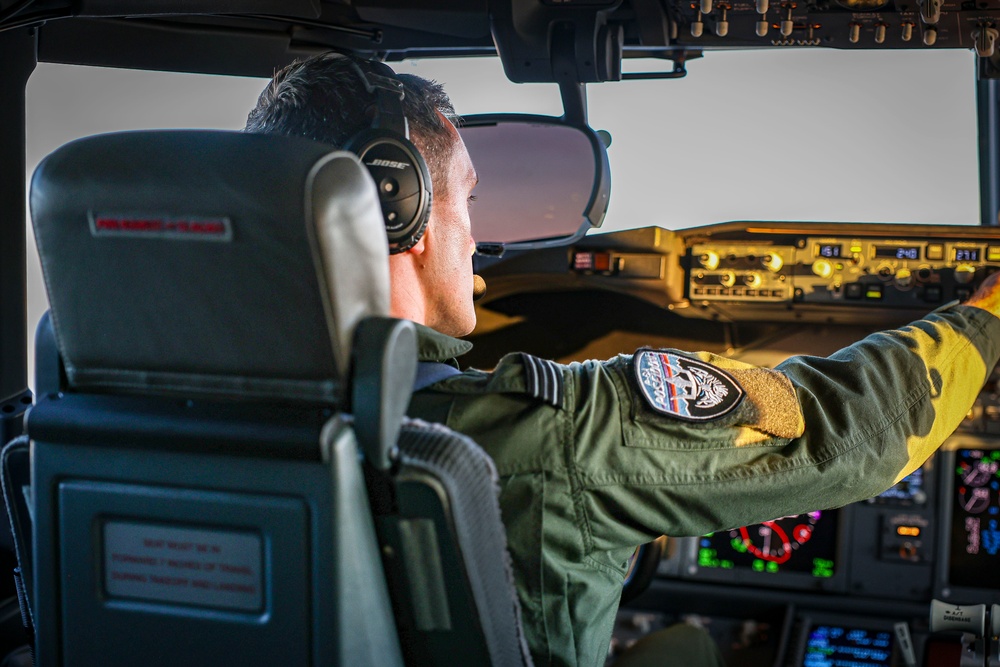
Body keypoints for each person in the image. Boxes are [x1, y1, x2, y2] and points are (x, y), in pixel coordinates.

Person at [245, 52, 1000, 667]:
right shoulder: (549, 432)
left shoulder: (172, 413)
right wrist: (985, 314)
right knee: (691, 649)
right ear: (395, 202)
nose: (477, 237)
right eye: (467, 201)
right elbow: (856, 429)